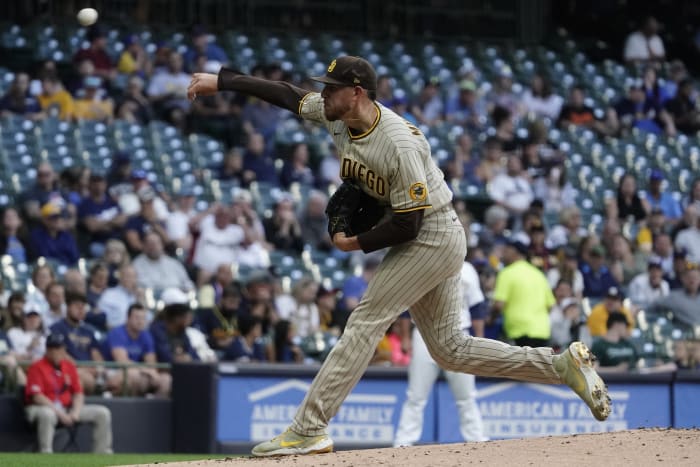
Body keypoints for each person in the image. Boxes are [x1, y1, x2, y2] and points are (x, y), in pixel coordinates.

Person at [188, 55, 611, 457]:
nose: (324, 95)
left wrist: (354, 244)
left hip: (432, 234)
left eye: (332, 88)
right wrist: (224, 81)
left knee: (366, 319)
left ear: (357, 92)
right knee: (450, 350)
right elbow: (286, 94)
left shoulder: (398, 144)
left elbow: (408, 224)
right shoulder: (336, 116)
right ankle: (559, 366)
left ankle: (309, 428)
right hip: (427, 236)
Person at [394, 260, 488, 447]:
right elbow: (406, 306)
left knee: (466, 397)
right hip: (424, 333)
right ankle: (403, 442)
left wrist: (480, 340)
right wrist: (405, 337)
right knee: (416, 396)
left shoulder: (467, 269)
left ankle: (477, 440)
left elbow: (477, 308)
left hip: (458, 334)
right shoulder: (419, 263)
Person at [24, 333, 112, 453]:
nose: (58, 351)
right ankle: (45, 453)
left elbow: (78, 393)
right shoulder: (37, 367)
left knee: (102, 413)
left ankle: (102, 454)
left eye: (60, 348)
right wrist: (60, 414)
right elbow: (37, 397)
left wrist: (75, 412)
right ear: (48, 350)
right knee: (47, 414)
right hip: (42, 408)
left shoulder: (68, 366)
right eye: (54, 348)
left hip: (67, 409)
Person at [492, 239, 555, 346]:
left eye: (506, 251)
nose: (503, 254)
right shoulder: (538, 274)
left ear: (515, 252)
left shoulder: (506, 273)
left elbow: (499, 305)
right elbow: (550, 305)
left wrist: (491, 318)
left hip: (518, 332)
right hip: (542, 331)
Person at [104, 303, 170, 397]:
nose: (140, 321)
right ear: (128, 318)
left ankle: (154, 407)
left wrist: (151, 372)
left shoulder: (146, 335)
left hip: (139, 372)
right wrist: (146, 370)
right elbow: (122, 362)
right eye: (137, 318)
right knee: (135, 376)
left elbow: (151, 363)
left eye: (143, 318)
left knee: (166, 380)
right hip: (113, 372)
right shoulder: (117, 333)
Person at [49, 292, 106, 394]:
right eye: (77, 307)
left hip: (90, 370)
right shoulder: (57, 328)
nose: (81, 310)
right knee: (85, 379)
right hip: (67, 370)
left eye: (83, 307)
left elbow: (96, 353)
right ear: (68, 308)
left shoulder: (89, 330)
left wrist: (99, 368)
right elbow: (60, 354)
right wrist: (83, 368)